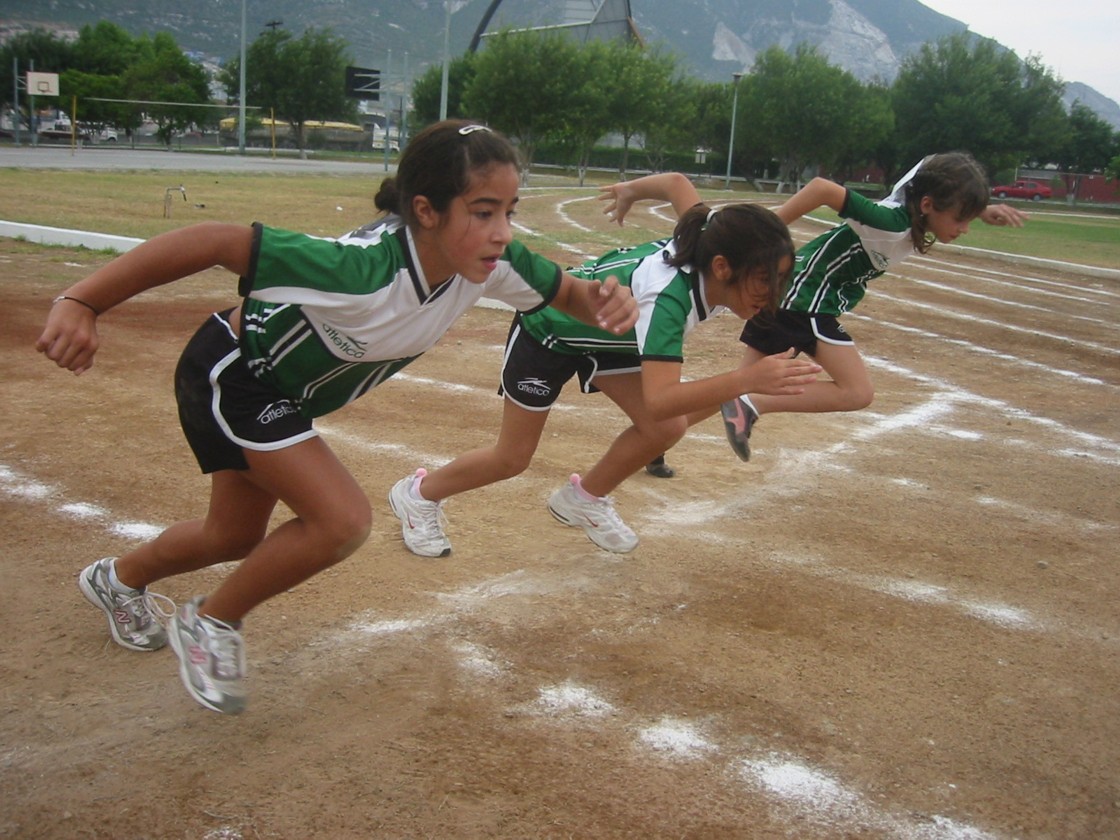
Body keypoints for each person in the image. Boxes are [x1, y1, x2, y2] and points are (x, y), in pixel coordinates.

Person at [36, 119, 639, 714]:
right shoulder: (364, 270)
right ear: (426, 211)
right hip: (234, 373)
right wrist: (82, 301)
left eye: (510, 210)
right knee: (340, 520)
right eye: (483, 212)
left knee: (233, 537)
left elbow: (568, 295)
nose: (502, 231)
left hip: (281, 396)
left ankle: (115, 579)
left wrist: (603, 299)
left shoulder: (492, 263)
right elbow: (214, 241)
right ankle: (212, 621)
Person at [387, 173, 822, 557]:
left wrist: (630, 190)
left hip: (610, 337)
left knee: (665, 428)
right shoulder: (667, 302)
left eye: (781, 279)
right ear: (723, 268)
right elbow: (662, 397)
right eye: (766, 279)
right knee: (512, 457)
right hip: (549, 331)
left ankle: (583, 500)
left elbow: (676, 184)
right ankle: (419, 495)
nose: (775, 292)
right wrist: (747, 379)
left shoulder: (712, 233)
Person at [615, 154, 1027, 469]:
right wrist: (764, 232)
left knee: (735, 390)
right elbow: (823, 189)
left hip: (793, 294)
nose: (965, 227)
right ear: (927, 204)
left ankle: (658, 444)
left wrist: (977, 207)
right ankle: (747, 408)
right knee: (855, 391)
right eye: (960, 218)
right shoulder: (889, 221)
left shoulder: (917, 205)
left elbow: (931, 168)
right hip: (807, 296)